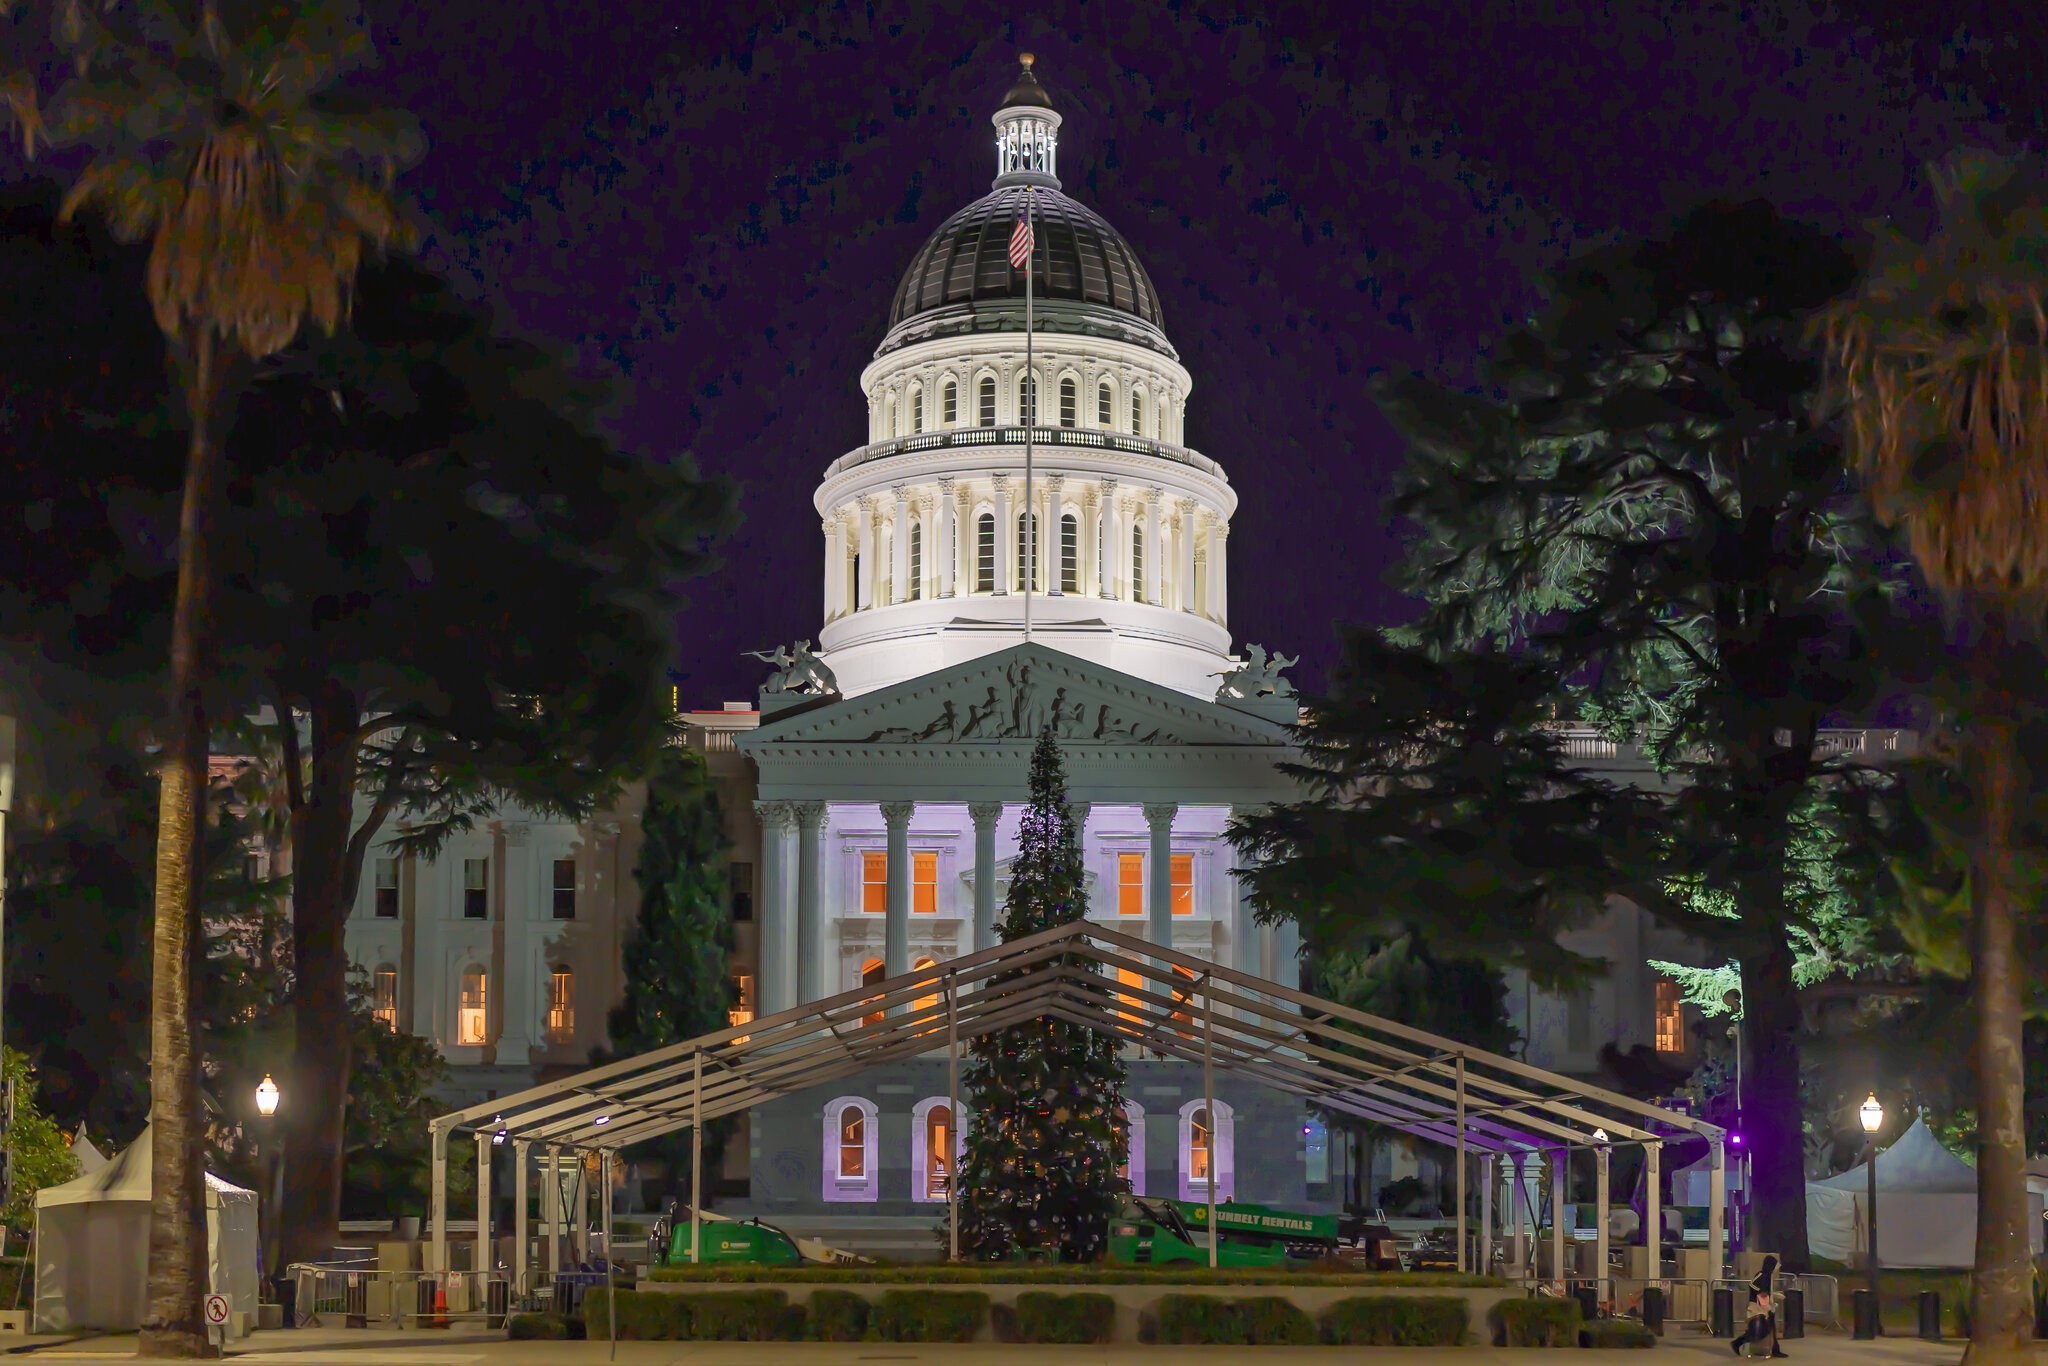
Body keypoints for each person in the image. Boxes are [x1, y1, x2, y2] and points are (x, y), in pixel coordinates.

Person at [1731, 1254, 1787, 1357]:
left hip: (1766, 1308)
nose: (1776, 1269)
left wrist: (1774, 1296)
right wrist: (1767, 1304)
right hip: (1759, 1309)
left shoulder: (1768, 1276)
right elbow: (1757, 1290)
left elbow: (1766, 1292)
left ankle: (1775, 1350)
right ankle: (1737, 1343)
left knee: (1771, 1330)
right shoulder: (1762, 1275)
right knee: (1759, 1332)